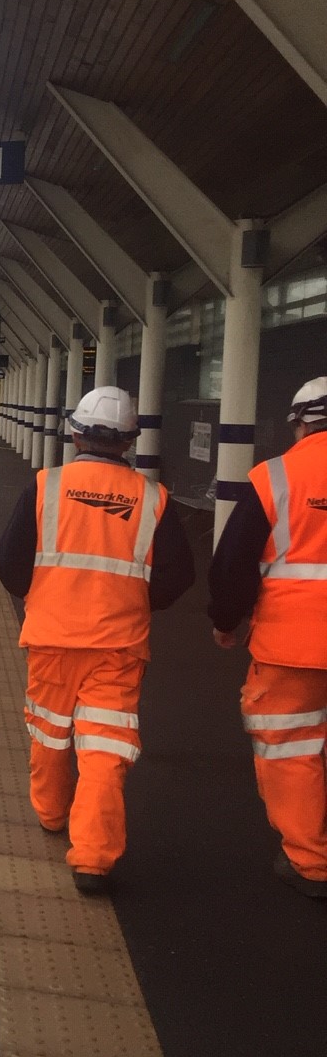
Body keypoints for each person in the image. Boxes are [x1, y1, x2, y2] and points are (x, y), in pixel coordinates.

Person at [0, 386, 195, 894]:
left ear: (75, 433)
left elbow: (11, 562)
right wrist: (134, 602)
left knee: (49, 732)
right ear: (129, 441)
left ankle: (50, 812)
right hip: (118, 644)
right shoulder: (154, 499)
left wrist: (40, 593)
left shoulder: (46, 486)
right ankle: (93, 858)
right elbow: (178, 574)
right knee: (106, 746)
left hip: (52, 636)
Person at [208, 377, 327, 898]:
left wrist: (225, 620)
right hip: (292, 644)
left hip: (291, 646)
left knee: (292, 748)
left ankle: (311, 859)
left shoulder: (275, 477)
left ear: (300, 422)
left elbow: (233, 563)